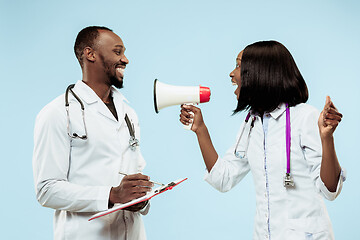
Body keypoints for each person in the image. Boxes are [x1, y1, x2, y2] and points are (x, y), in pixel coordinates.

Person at [180, 40, 346, 239]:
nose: (232, 74)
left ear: (261, 72)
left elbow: (330, 191)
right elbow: (222, 179)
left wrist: (327, 138)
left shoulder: (304, 117)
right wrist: (200, 129)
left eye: (239, 65)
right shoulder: (251, 123)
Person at [33, 26, 153, 240]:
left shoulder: (129, 113)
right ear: (90, 54)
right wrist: (112, 195)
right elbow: (47, 190)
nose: (125, 59)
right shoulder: (58, 113)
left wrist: (141, 198)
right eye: (118, 52)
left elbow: (133, 172)